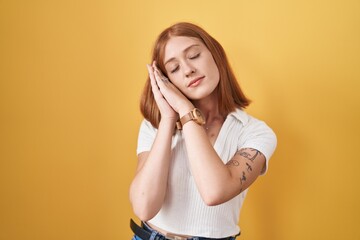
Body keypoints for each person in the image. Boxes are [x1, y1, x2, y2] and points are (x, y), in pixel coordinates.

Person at [129, 22, 277, 240]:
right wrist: (170, 118)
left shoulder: (255, 132)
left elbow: (213, 191)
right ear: (166, 81)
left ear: (215, 54)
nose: (188, 70)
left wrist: (186, 111)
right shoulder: (156, 125)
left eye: (194, 55)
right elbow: (144, 206)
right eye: (174, 68)